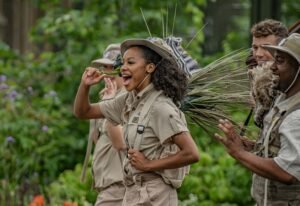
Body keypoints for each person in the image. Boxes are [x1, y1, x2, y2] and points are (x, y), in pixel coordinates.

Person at [74, 37, 200, 205]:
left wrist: (148, 165)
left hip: (156, 196)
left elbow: (191, 153)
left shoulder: (161, 107)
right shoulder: (129, 100)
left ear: (150, 67)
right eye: (123, 63)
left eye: (131, 62)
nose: (123, 68)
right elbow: (84, 112)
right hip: (133, 192)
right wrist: (85, 86)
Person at [215, 33, 300, 206]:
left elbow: (288, 172)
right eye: (275, 60)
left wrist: (239, 153)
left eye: (281, 61)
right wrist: (255, 146)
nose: (272, 67)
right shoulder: (282, 100)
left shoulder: (297, 114)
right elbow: (283, 149)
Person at [80, 44, 126, 206]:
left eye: (112, 67)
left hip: (120, 187)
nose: (107, 72)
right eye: (104, 67)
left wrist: (109, 103)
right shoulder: (107, 96)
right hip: (107, 187)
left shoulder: (128, 98)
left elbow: (120, 143)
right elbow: (97, 139)